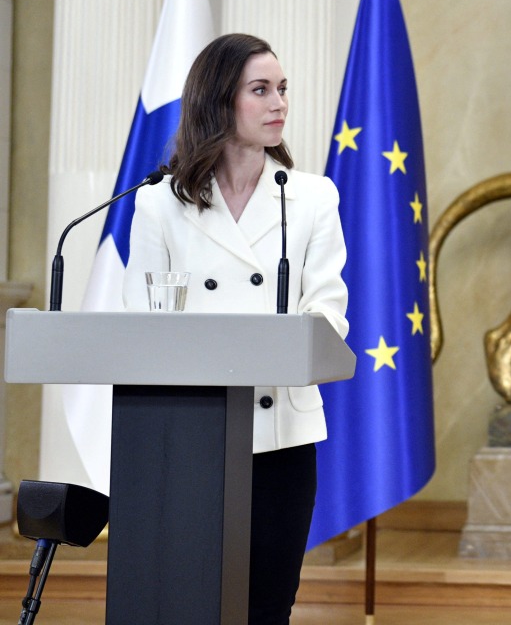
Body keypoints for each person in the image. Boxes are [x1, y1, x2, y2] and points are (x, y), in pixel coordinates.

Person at [124, 33, 349, 624]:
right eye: (261, 90)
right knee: (185, 603)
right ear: (219, 101)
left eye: (282, 89)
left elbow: (328, 312)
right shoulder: (159, 202)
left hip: (281, 437)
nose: (279, 103)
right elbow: (140, 322)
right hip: (188, 435)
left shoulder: (313, 197)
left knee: (266, 606)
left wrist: (274, 348)